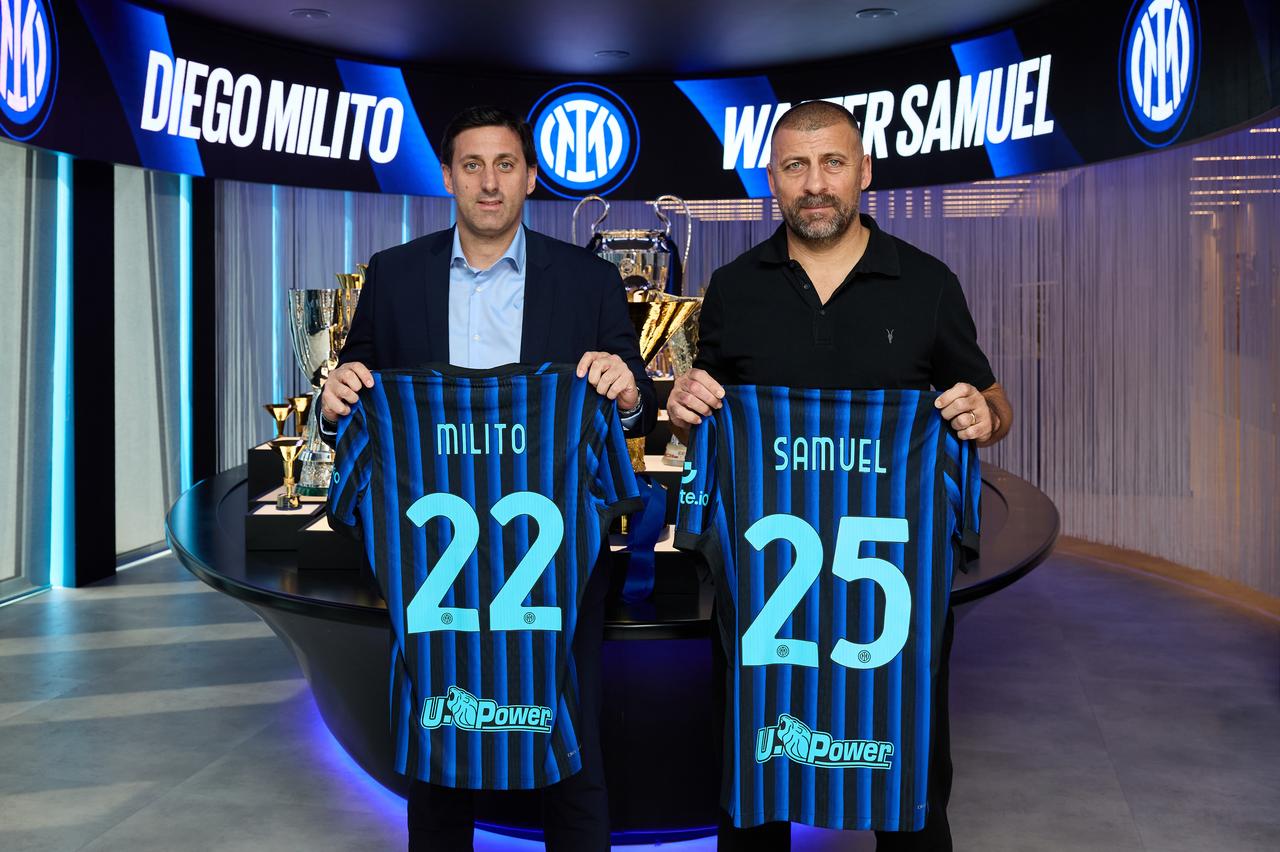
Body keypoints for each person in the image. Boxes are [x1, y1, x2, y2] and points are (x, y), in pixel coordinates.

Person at [666, 100, 1012, 852]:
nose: (815, 184)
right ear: (772, 180)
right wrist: (686, 409)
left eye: (832, 163)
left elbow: (992, 401)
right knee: (754, 794)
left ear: (864, 172)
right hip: (767, 597)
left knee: (910, 793)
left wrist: (983, 415)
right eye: (795, 166)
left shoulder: (927, 283)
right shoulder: (733, 287)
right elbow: (709, 421)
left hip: (893, 601)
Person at [318, 104, 656, 851]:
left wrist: (628, 393)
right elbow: (356, 390)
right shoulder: (394, 275)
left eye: (506, 165)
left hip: (555, 558)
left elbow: (635, 406)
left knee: (573, 755)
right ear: (448, 177)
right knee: (438, 751)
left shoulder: (589, 279)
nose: (490, 183)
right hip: (433, 558)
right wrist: (333, 404)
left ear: (531, 177)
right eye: (472, 166)